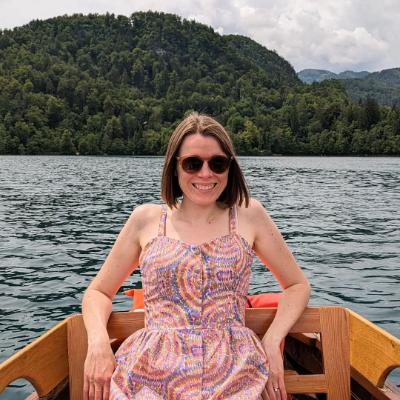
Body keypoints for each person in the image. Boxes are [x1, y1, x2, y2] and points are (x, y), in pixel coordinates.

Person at [82, 112, 311, 400]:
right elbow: (99, 292)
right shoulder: (145, 219)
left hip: (235, 370)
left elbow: (297, 286)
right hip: (152, 371)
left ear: (230, 168)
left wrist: (273, 339)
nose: (205, 174)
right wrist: (98, 342)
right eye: (192, 163)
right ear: (175, 167)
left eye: (217, 163)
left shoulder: (249, 214)